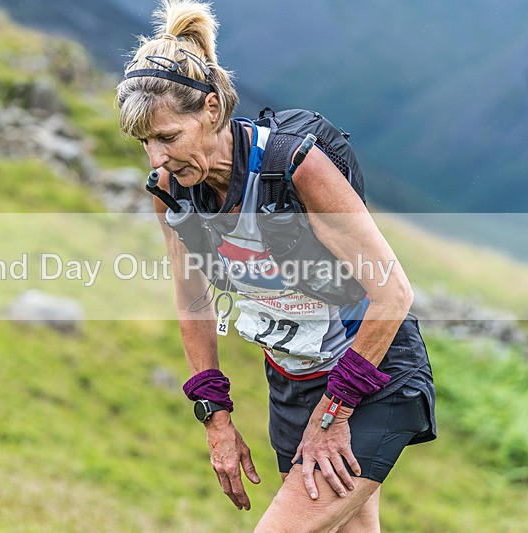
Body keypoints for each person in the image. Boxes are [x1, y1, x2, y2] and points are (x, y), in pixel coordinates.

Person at [116, 1, 437, 531]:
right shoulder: (171, 192)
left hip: (370, 376)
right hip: (293, 384)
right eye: (146, 142)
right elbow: (192, 298)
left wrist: (334, 415)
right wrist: (215, 416)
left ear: (212, 110)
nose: (156, 158)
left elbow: (393, 294)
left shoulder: (295, 166)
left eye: (168, 137)